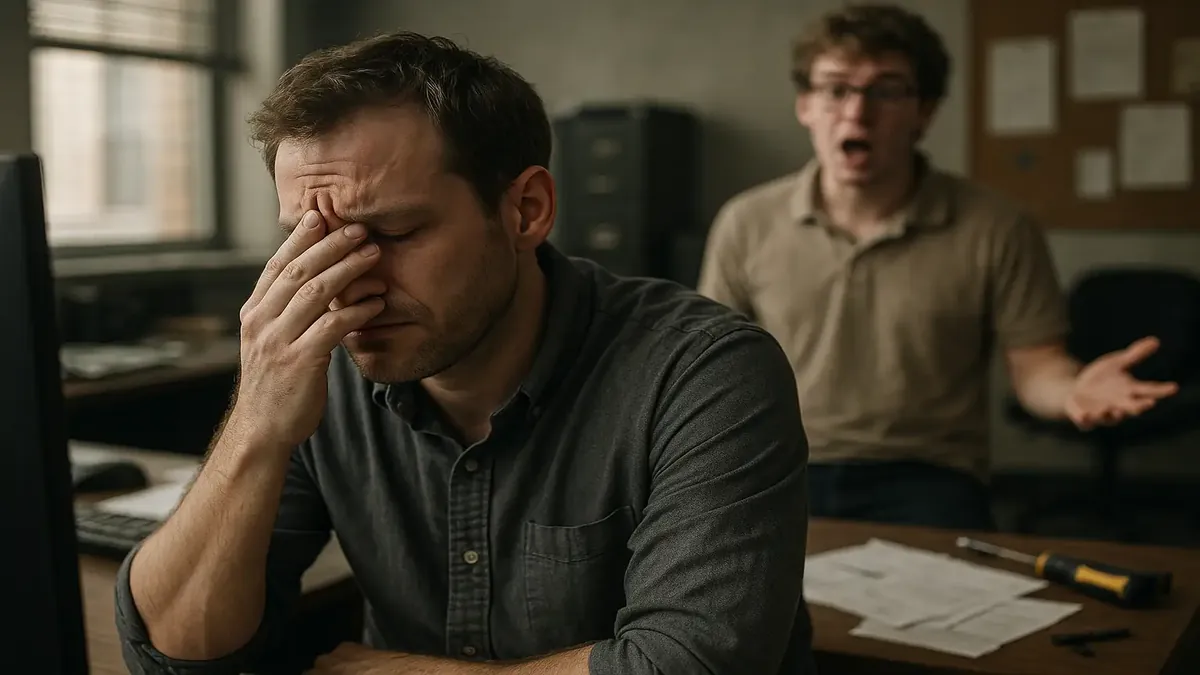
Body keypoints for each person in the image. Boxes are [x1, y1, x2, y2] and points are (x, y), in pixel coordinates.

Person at [114, 31, 814, 675]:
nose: (343, 282)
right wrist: (255, 425)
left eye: (389, 231)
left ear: (527, 210)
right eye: (308, 240)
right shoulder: (314, 368)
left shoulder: (706, 371)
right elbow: (170, 655)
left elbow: (694, 665)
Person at [697, 3, 1178, 531]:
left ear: (924, 111)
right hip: (783, 462)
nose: (857, 114)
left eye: (886, 90)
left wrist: (1073, 391)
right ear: (805, 104)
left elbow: (1037, 366)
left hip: (928, 473)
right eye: (835, 89)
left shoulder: (997, 226)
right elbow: (718, 371)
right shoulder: (746, 221)